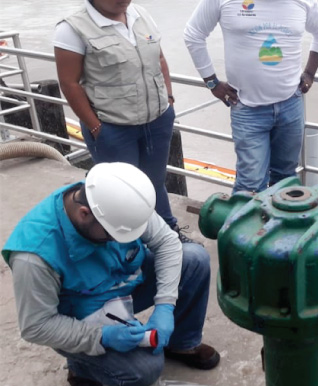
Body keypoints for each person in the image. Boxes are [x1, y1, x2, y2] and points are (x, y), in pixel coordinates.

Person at [2, 163, 220, 386]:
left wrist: (165, 305)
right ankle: (83, 370)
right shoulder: (34, 256)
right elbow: (37, 326)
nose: (122, 240)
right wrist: (102, 337)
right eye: (114, 234)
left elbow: (167, 243)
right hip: (83, 314)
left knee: (194, 260)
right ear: (84, 214)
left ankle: (181, 343)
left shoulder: (118, 199)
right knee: (146, 369)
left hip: (123, 285)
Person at [53, 0, 189, 241]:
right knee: (122, 193)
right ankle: (129, 247)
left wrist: (168, 99)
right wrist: (96, 127)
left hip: (157, 121)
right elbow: (70, 83)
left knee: (154, 183)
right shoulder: (72, 28)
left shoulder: (141, 15)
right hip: (113, 129)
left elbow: (159, 58)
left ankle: (168, 233)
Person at [184, 0, 318, 194]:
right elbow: (194, 34)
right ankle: (247, 221)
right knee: (251, 183)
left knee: (286, 178)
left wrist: (309, 73)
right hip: (247, 108)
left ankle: (279, 221)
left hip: (290, 105)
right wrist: (212, 82)